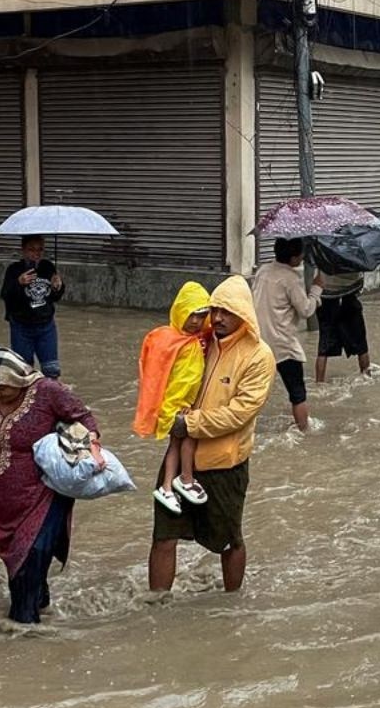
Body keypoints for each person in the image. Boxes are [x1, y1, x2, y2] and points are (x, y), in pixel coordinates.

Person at [148, 275, 275, 594]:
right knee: (163, 537)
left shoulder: (259, 356)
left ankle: (232, 604)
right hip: (178, 463)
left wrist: (188, 425)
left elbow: (241, 412)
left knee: (230, 540)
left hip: (224, 464)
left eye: (226, 311)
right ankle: (155, 606)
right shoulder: (197, 341)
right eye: (214, 309)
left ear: (243, 313)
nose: (217, 318)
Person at [0, 348, 103, 624]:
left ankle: (23, 624)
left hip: (43, 492)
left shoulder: (47, 390)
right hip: (3, 497)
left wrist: (92, 447)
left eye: (2, 388)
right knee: (14, 560)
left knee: (31, 556)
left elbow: (83, 417)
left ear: (18, 379)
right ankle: (39, 602)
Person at [132, 281, 212, 514]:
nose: (196, 321)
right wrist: (177, 407)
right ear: (179, 312)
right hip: (175, 406)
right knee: (186, 440)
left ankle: (167, 487)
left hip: (183, 405)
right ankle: (184, 480)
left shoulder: (198, 339)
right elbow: (158, 377)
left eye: (201, 315)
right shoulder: (169, 340)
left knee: (175, 446)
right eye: (191, 315)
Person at [251, 237, 323, 432]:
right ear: (293, 257)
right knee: (297, 394)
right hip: (284, 345)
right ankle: (305, 431)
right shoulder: (291, 279)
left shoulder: (262, 271)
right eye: (300, 254)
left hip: (258, 342)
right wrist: (317, 289)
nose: (302, 258)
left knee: (252, 393)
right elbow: (306, 310)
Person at [0, 235, 65, 379]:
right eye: (32, 250)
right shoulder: (14, 270)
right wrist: (19, 283)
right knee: (24, 372)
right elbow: (6, 296)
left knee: (52, 370)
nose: (36, 253)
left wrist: (58, 287)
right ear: (23, 250)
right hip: (21, 327)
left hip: (46, 326)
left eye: (40, 249)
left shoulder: (48, 267)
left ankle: (50, 399)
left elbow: (55, 298)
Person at [315, 269, 371, 382]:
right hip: (349, 299)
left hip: (327, 298)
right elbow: (359, 285)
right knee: (361, 345)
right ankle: (367, 378)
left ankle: (319, 383)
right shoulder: (353, 256)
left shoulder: (324, 253)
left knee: (323, 346)